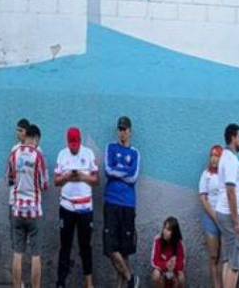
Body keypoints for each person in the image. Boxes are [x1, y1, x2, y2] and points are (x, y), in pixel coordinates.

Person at [56, 126, 98, 288]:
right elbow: (56, 181)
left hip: (85, 209)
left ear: (80, 141)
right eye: (71, 145)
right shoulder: (62, 154)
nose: (74, 148)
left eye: (76, 145)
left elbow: (96, 180)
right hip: (66, 208)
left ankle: (89, 283)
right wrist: (67, 176)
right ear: (68, 142)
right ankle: (61, 282)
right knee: (65, 246)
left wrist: (81, 176)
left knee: (85, 246)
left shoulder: (88, 154)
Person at [7, 123, 48, 288]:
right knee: (36, 255)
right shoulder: (38, 156)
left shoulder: (14, 154)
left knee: (18, 253)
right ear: (36, 138)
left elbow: (10, 178)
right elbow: (44, 184)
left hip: (17, 209)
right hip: (34, 211)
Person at [103, 115, 141, 288]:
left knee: (124, 251)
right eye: (120, 129)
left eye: (125, 129)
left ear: (130, 131)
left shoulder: (135, 153)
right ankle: (130, 278)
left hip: (128, 204)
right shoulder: (110, 148)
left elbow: (133, 178)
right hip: (112, 202)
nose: (122, 132)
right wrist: (123, 171)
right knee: (111, 248)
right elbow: (108, 170)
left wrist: (118, 171)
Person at [215, 124, 239, 288]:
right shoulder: (230, 159)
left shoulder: (226, 158)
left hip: (226, 213)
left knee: (228, 259)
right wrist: (236, 221)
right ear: (233, 138)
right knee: (235, 262)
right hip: (231, 214)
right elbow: (230, 190)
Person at [198, 145, 224, 288]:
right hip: (211, 217)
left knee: (224, 256)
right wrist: (215, 217)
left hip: (224, 217)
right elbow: (203, 199)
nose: (214, 159)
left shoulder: (225, 175)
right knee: (214, 256)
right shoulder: (206, 175)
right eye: (212, 156)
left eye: (217, 156)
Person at [150, 216, 186, 286]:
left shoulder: (179, 243)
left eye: (168, 230)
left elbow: (182, 263)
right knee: (156, 274)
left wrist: (173, 267)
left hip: (174, 270)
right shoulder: (158, 240)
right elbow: (154, 261)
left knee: (181, 277)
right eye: (164, 228)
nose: (165, 231)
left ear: (174, 232)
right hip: (162, 270)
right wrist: (166, 264)